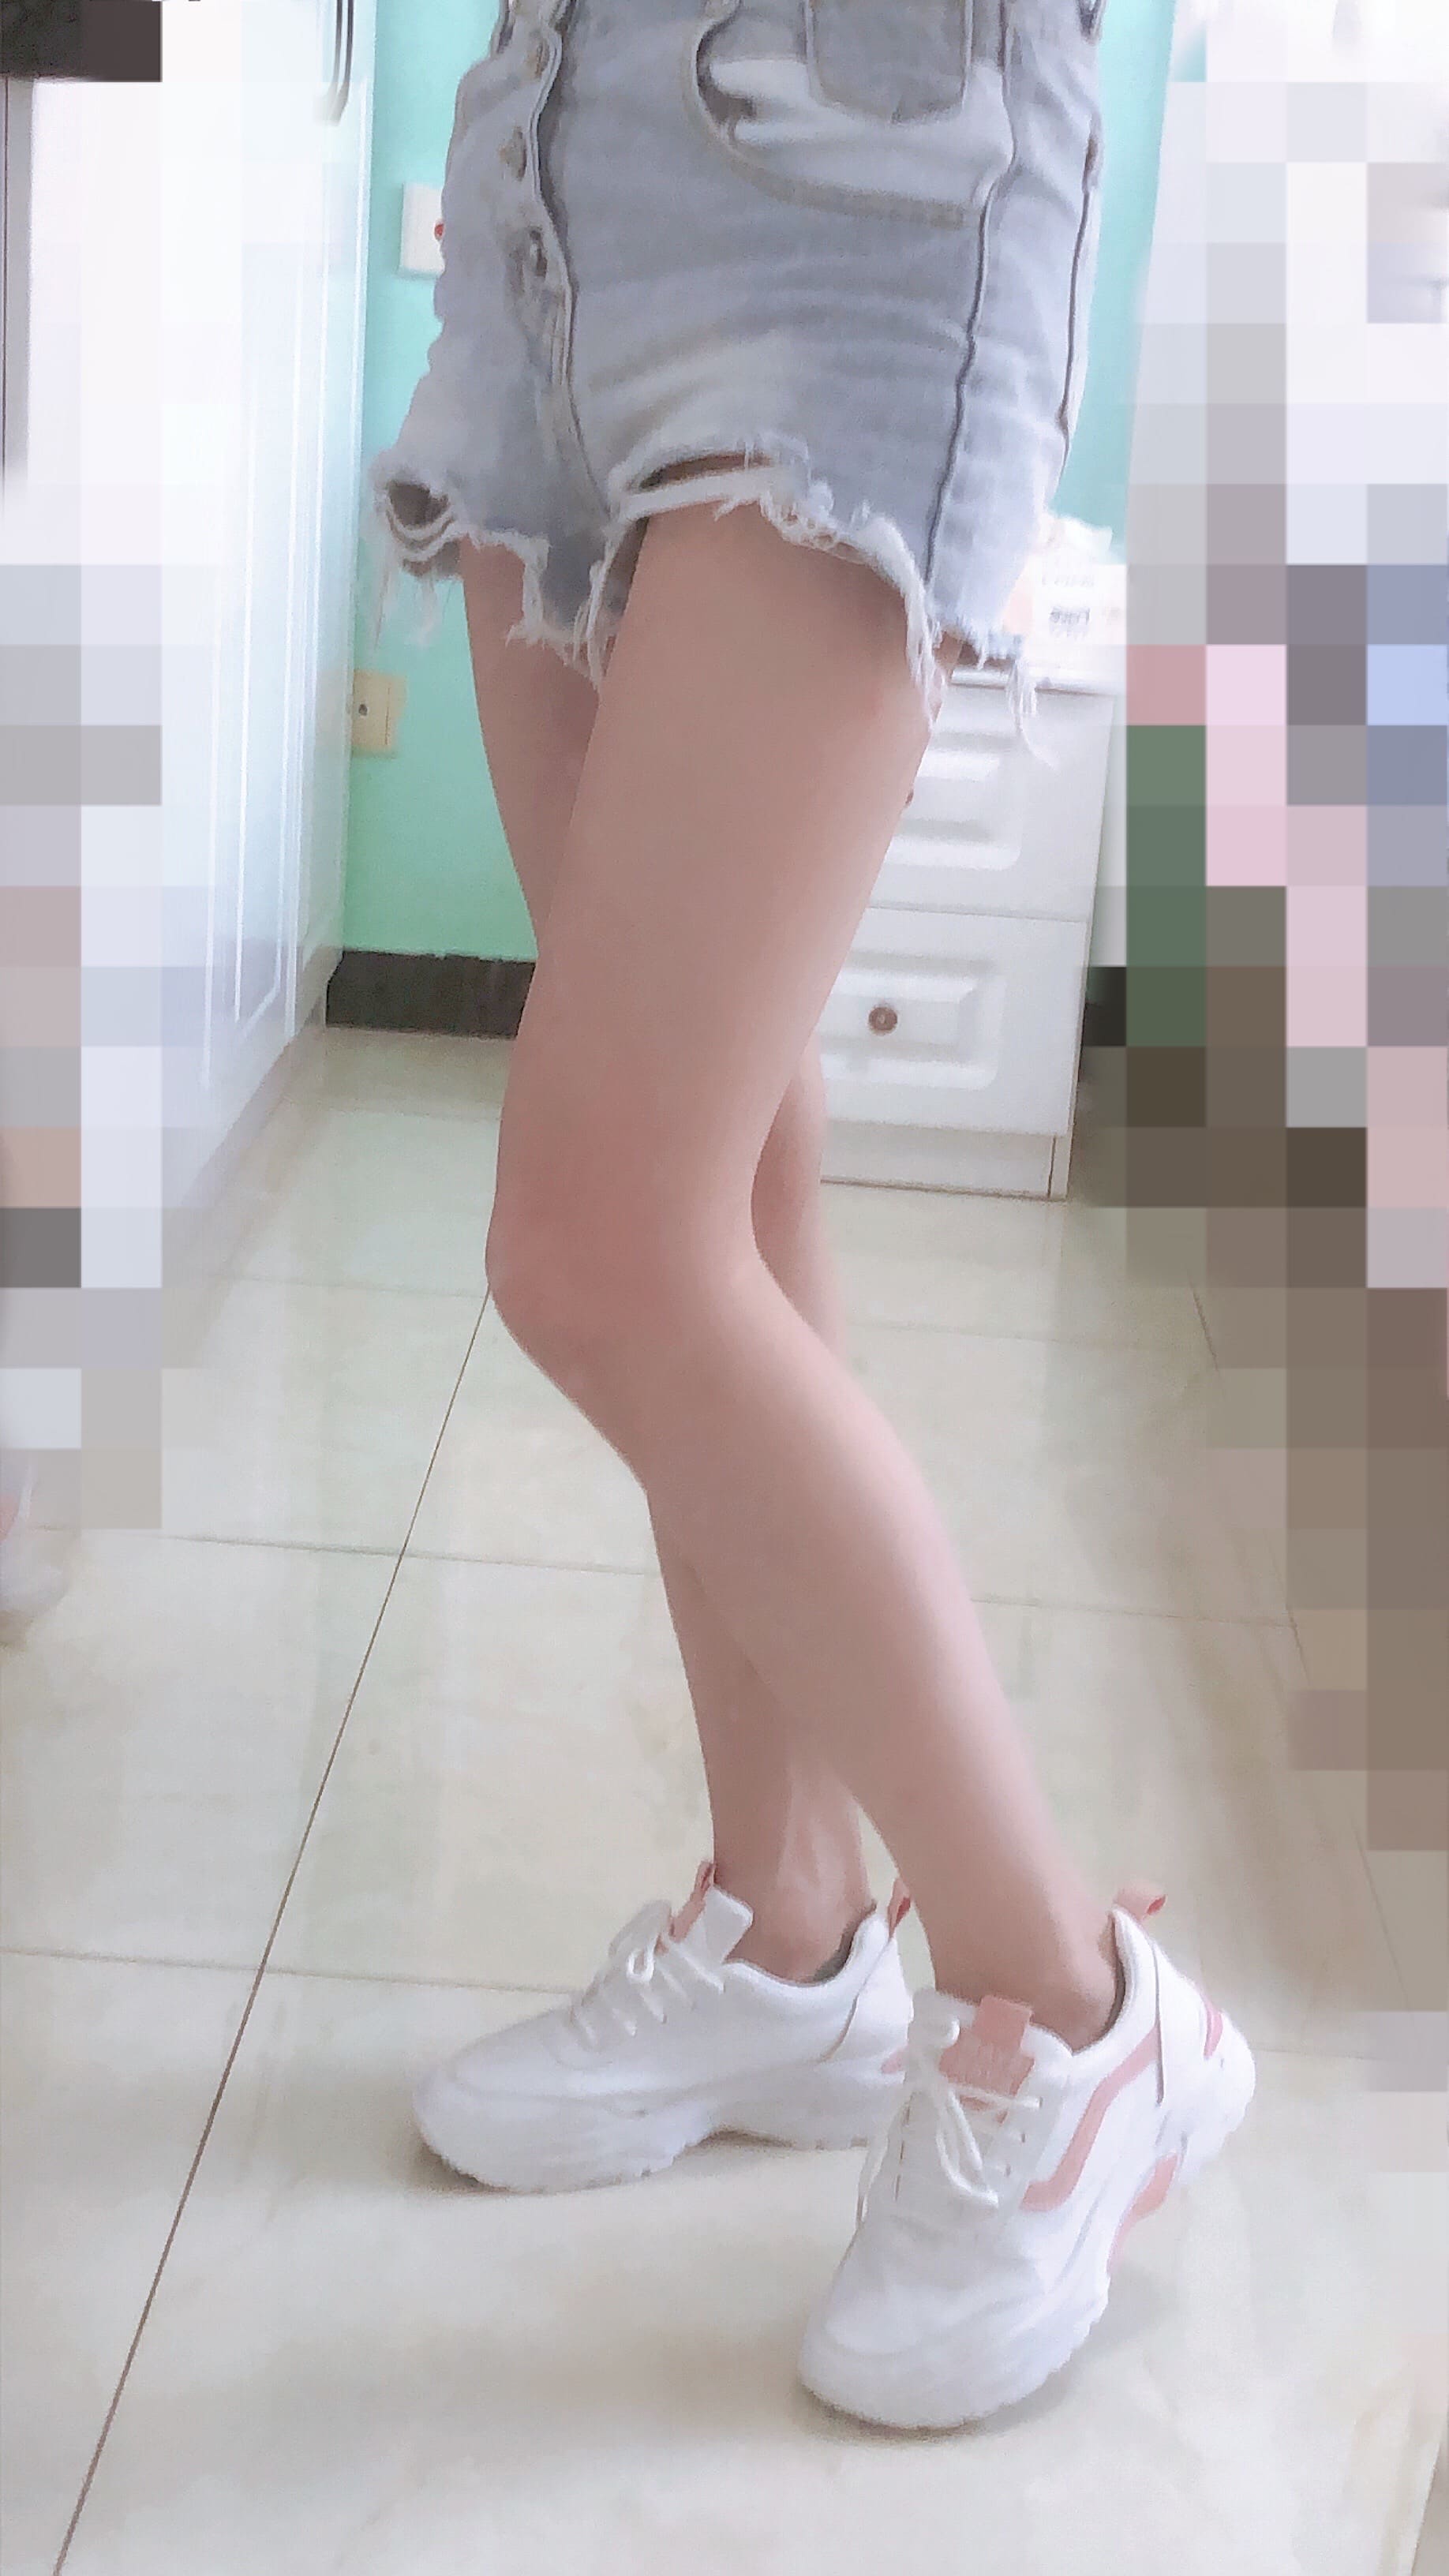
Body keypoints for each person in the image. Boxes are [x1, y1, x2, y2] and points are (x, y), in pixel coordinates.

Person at [365, 0, 1254, 2431]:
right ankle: (787, 1930)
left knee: (599, 1246)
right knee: (722, 1166)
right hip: (545, 169)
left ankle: (1074, 2006)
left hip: (861, 163)